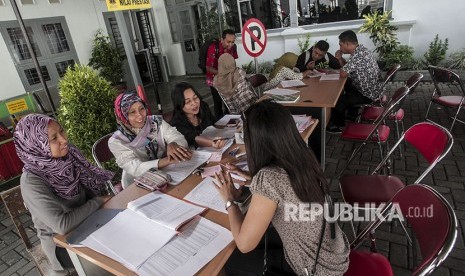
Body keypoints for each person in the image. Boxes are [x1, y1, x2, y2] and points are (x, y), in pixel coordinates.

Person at [215, 100, 350, 275]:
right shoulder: (301, 154)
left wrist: (230, 201)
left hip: (315, 269)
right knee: (262, 234)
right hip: (332, 253)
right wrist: (251, 178)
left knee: (229, 259)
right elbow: (286, 187)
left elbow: (244, 244)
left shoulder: (269, 178)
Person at [14, 114, 114, 273]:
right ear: (36, 145)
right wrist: (97, 202)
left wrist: (100, 200)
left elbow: (91, 188)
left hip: (89, 222)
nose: (64, 140)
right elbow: (62, 225)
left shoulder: (69, 156)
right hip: (61, 244)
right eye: (54, 138)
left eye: (62, 131)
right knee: (112, 255)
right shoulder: (32, 182)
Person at [108, 93, 191, 188]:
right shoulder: (116, 141)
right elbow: (136, 168)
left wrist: (173, 143)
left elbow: (178, 138)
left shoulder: (155, 122)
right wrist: (167, 160)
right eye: (132, 112)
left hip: (168, 172)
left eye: (141, 109)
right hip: (138, 182)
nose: (139, 116)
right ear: (122, 115)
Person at [327, 30, 385, 133]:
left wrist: (337, 59)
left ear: (348, 44)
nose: (340, 48)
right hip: (373, 88)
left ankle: (337, 126)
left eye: (341, 45)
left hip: (368, 94)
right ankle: (351, 115)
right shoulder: (361, 50)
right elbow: (346, 69)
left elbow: (343, 74)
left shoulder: (357, 56)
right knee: (348, 84)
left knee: (339, 101)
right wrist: (340, 59)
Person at [170, 82, 227, 149]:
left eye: (195, 98)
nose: (194, 103)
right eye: (188, 102)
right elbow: (193, 138)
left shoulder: (203, 106)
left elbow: (213, 123)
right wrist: (212, 143)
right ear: (179, 105)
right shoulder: (177, 123)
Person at [206, 29, 238, 119]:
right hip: (213, 79)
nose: (230, 45)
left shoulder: (233, 47)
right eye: (228, 42)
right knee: (218, 102)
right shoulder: (213, 48)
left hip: (226, 79)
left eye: (233, 42)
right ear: (222, 39)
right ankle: (220, 124)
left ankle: (229, 122)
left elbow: (232, 62)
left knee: (228, 102)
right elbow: (208, 68)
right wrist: (223, 73)